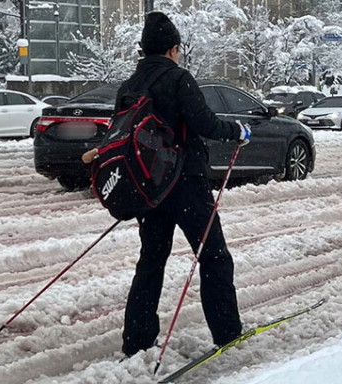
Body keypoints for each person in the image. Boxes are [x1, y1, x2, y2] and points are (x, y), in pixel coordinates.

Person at [115, 12, 251, 358]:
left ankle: (137, 340)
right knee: (214, 257)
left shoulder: (129, 85)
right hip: (186, 182)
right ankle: (227, 333)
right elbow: (203, 123)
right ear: (173, 48)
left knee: (151, 260)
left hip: (149, 187)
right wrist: (237, 131)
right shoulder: (179, 79)